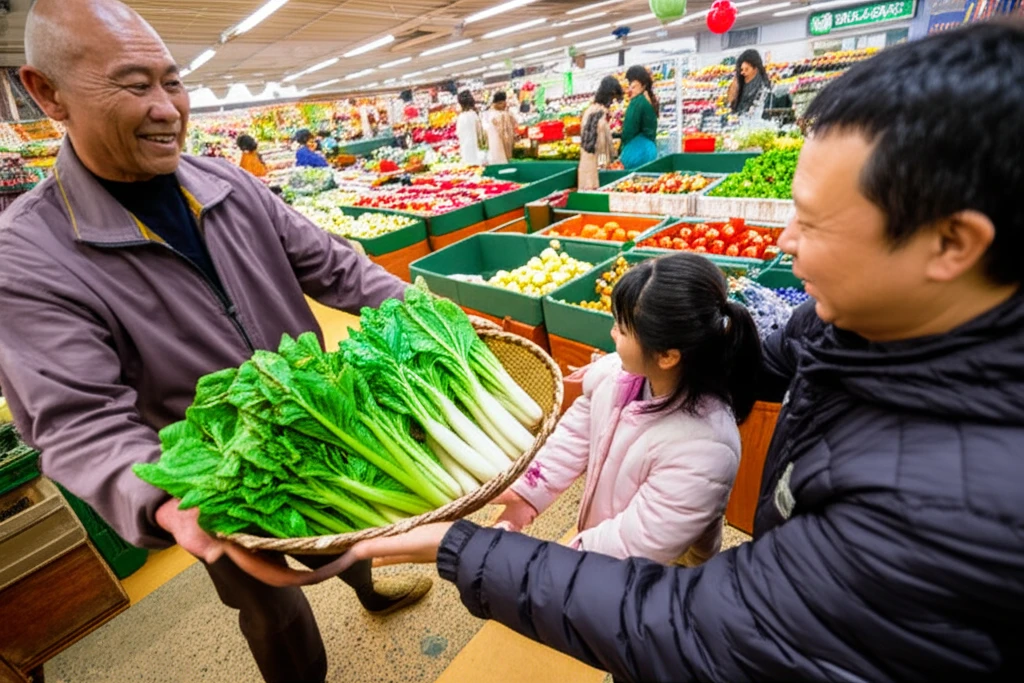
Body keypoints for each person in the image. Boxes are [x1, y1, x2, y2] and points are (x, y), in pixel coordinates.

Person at [337, 21, 1024, 681]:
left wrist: (472, 550)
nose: (787, 242)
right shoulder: (856, 324)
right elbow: (759, 359)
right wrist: (621, 369)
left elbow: (693, 625)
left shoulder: (942, 520)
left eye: (811, 222)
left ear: (951, 243)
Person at [0, 2, 431, 683]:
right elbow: (77, 421)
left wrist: (428, 315)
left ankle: (368, 588)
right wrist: (168, 501)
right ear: (47, 93)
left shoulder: (225, 184)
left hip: (319, 427)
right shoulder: (29, 254)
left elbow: (334, 266)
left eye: (172, 81)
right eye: (134, 85)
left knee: (348, 541)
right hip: (219, 481)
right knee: (270, 602)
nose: (168, 107)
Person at [493, 253, 759, 565]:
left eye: (622, 326)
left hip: (662, 572)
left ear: (667, 355)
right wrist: (528, 493)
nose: (612, 333)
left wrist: (542, 564)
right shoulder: (618, 375)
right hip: (605, 540)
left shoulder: (705, 451)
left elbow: (631, 544)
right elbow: (577, 432)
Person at [577, 75, 623, 190]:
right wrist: (605, 163)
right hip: (593, 170)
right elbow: (599, 144)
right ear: (610, 94)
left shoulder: (591, 110)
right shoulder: (598, 114)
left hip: (586, 165)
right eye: (614, 99)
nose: (613, 104)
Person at [619, 65, 659, 169]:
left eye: (633, 86)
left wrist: (621, 146)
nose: (630, 90)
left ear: (643, 85)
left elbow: (629, 130)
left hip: (636, 153)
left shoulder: (637, 102)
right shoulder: (649, 100)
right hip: (650, 151)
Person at [728, 49, 771, 117]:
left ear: (755, 69)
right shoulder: (741, 82)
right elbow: (731, 101)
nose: (743, 72)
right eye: (741, 70)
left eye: (746, 69)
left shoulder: (762, 86)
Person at [481, 91, 516, 165]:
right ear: (496, 103)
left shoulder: (496, 113)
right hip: (498, 143)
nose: (504, 105)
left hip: (497, 144)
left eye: (504, 103)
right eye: (501, 103)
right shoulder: (497, 115)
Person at [455, 89, 483, 166]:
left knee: (471, 168)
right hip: (478, 148)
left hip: (466, 148)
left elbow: (458, 133)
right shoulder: (475, 114)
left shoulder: (461, 117)